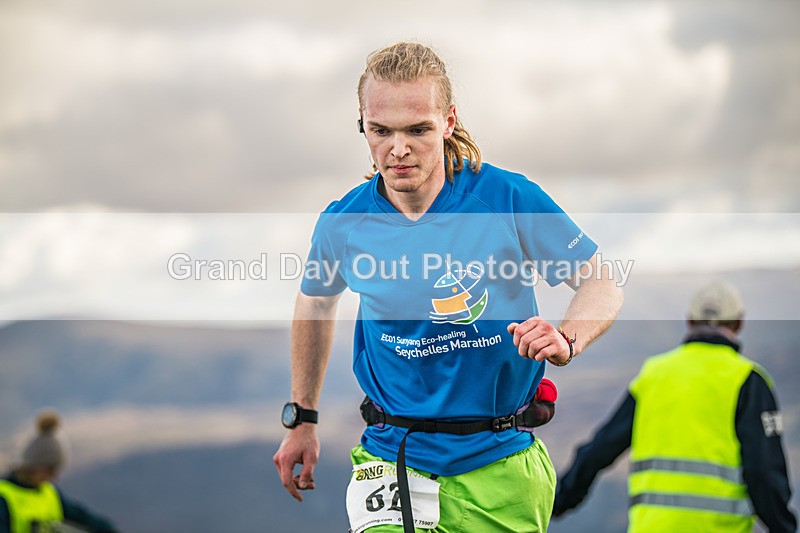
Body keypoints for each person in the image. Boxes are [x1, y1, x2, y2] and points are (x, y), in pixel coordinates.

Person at [273, 41, 623, 533]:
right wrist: (302, 418)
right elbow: (314, 302)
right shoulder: (344, 222)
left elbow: (600, 280)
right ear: (362, 125)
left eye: (418, 129)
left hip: (501, 465)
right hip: (393, 460)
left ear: (449, 121)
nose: (397, 149)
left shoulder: (507, 198)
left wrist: (568, 336)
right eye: (380, 131)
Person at [552, 280, 797, 532]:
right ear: (738, 323)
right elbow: (763, 472)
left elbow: (599, 450)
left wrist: (560, 501)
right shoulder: (749, 381)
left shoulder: (653, 375)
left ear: (689, 321)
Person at [0, 411, 119, 533]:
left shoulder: (49, 492)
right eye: (50, 470)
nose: (54, 477)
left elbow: (84, 517)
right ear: (33, 467)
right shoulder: (3, 496)